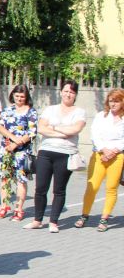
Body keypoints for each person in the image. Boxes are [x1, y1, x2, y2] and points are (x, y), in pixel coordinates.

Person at [25, 80, 86, 233]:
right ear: (60, 92)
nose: (68, 94)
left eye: (71, 92)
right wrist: (62, 132)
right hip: (45, 152)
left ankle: (53, 222)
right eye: (66, 91)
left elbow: (75, 130)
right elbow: (41, 128)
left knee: (59, 190)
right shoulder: (50, 109)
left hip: (66, 154)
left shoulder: (79, 112)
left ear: (75, 95)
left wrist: (53, 128)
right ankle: (37, 220)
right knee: (40, 188)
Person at [77, 88, 124, 231]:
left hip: (117, 156)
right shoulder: (100, 116)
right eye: (111, 101)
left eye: (117, 101)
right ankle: (84, 215)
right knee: (93, 186)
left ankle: (104, 219)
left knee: (111, 187)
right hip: (99, 155)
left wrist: (114, 151)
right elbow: (95, 135)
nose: (113, 104)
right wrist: (104, 149)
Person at [0, 85, 38, 221]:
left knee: (20, 180)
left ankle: (18, 209)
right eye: (17, 96)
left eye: (22, 96)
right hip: (6, 149)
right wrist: (12, 139)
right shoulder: (8, 110)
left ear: (26, 97)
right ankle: (4, 206)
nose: (19, 99)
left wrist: (17, 143)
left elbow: (32, 132)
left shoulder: (31, 112)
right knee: (5, 178)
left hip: (22, 152)